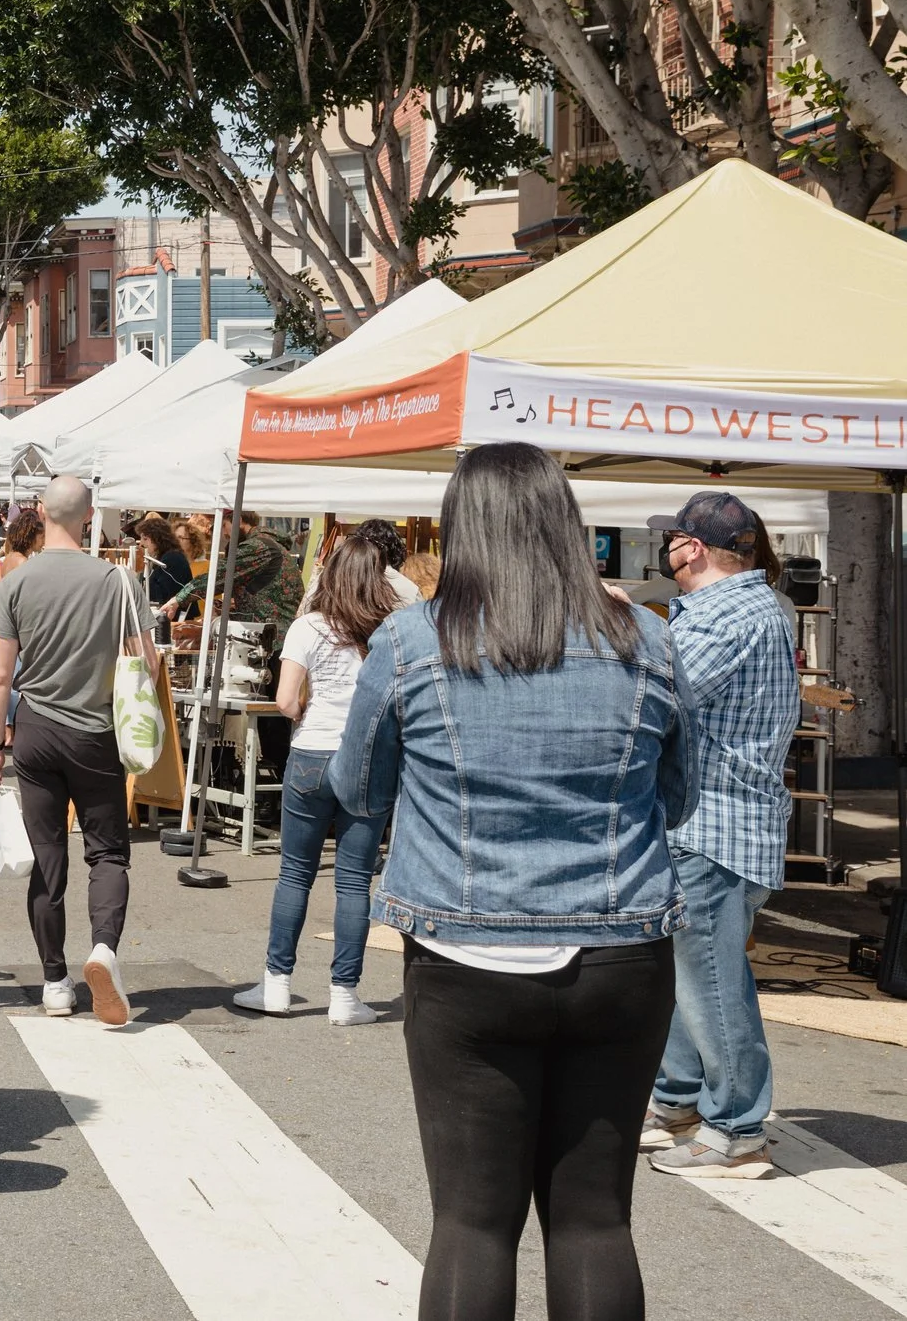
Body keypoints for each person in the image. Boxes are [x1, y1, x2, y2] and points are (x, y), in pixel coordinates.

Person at [329, 442, 689, 1321]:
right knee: (596, 1219)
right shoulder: (645, 637)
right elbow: (675, 795)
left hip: (463, 954)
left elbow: (358, 788)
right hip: (619, 952)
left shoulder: (414, 640)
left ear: (463, 529)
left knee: (473, 1223)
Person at [640, 491, 799, 1181]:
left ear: (694, 548)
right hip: (734, 819)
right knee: (694, 972)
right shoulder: (757, 605)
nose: (665, 551)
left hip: (713, 822)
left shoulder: (721, 613)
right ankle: (679, 1098)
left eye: (671, 540)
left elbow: (654, 694)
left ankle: (735, 1127)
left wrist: (619, 623)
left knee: (709, 979)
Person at [0, 475, 156, 1025]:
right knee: (107, 852)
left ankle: (54, 980)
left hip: (35, 730)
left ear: (40, 511)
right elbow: (146, 661)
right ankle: (103, 948)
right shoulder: (120, 581)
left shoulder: (15, 581)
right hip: (96, 730)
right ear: (90, 515)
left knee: (47, 857)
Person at [232, 534, 399, 1025]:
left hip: (311, 754)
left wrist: (304, 710)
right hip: (366, 759)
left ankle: (278, 985)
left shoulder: (308, 626)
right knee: (352, 881)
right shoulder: (389, 631)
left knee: (295, 874)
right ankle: (345, 996)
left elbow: (285, 700)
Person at [161, 507, 302, 625]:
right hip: (269, 630)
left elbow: (219, 576)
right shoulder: (265, 543)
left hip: (271, 636)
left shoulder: (257, 546)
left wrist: (178, 599)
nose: (224, 534)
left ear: (238, 521)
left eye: (224, 526)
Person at [131, 514, 194, 608]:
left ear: (158, 539)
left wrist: (136, 578)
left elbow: (162, 595)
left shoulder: (172, 558)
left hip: (176, 616)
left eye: (145, 539)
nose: (141, 544)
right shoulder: (165, 557)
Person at [0, 507, 45, 586]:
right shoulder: (22, 562)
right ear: (31, 537)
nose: (43, 541)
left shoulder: (9, 558)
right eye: (41, 537)